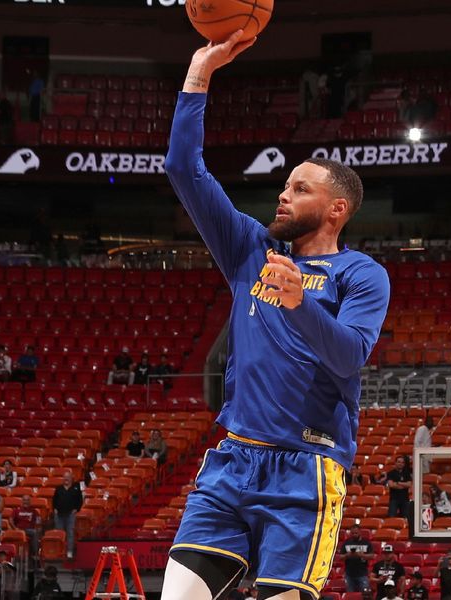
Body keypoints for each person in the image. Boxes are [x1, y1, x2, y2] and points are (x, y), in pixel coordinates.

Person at [160, 31, 389, 600]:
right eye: (284, 185)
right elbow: (183, 169)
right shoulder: (249, 249)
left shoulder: (362, 274)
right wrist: (198, 74)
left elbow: (349, 356)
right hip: (233, 459)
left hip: (307, 466)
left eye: (299, 189)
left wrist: (298, 302)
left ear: (336, 209)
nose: (282, 196)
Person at [52, 472, 83, 559]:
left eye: (68, 477)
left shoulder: (76, 488)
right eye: (64, 477)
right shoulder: (58, 489)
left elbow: (80, 500)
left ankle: (69, 551)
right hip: (59, 515)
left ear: (71, 478)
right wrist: (54, 509)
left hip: (70, 514)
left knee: (70, 533)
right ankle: (59, 552)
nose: (66, 479)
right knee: (59, 534)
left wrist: (76, 509)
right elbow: (54, 500)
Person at [340, 524, 374, 593]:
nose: (354, 535)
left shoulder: (366, 542)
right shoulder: (346, 543)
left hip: (362, 574)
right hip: (349, 574)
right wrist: (348, 555)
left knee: (365, 594)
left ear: (360, 532)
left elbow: (371, 556)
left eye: (356, 533)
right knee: (350, 595)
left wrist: (361, 555)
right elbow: (341, 557)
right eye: (352, 533)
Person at [11, 495, 42, 559]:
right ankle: (34, 554)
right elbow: (11, 520)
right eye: (24, 500)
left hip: (30, 530)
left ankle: (35, 554)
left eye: (27, 500)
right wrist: (15, 528)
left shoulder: (34, 511)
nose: (26, 502)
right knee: (34, 532)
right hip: (19, 530)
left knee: (35, 532)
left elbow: (39, 521)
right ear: (22, 501)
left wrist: (38, 527)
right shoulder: (16, 510)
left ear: (30, 502)